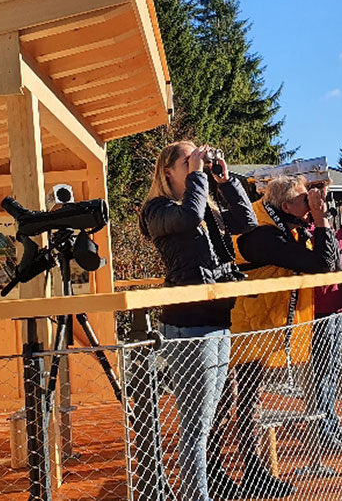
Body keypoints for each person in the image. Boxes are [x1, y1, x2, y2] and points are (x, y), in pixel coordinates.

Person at [140, 141, 257, 501]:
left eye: (199, 159)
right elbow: (188, 218)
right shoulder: (156, 210)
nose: (198, 165)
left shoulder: (204, 201)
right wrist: (198, 178)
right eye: (188, 161)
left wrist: (225, 181)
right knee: (196, 427)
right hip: (189, 324)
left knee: (206, 423)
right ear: (168, 171)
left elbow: (247, 223)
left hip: (218, 318)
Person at [230, 175, 341, 497]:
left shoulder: (283, 226)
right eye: (305, 201)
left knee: (247, 399)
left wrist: (318, 220)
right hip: (243, 324)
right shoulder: (262, 234)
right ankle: (241, 471)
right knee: (238, 401)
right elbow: (321, 265)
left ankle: (251, 471)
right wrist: (320, 220)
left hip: (259, 322)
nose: (310, 207)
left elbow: (330, 263)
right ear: (286, 205)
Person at [309, 205, 342, 452]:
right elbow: (330, 258)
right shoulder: (310, 230)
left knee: (333, 368)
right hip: (321, 308)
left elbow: (340, 253)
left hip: (336, 304)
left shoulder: (324, 229)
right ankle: (322, 430)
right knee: (322, 373)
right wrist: (341, 230)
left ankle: (331, 422)